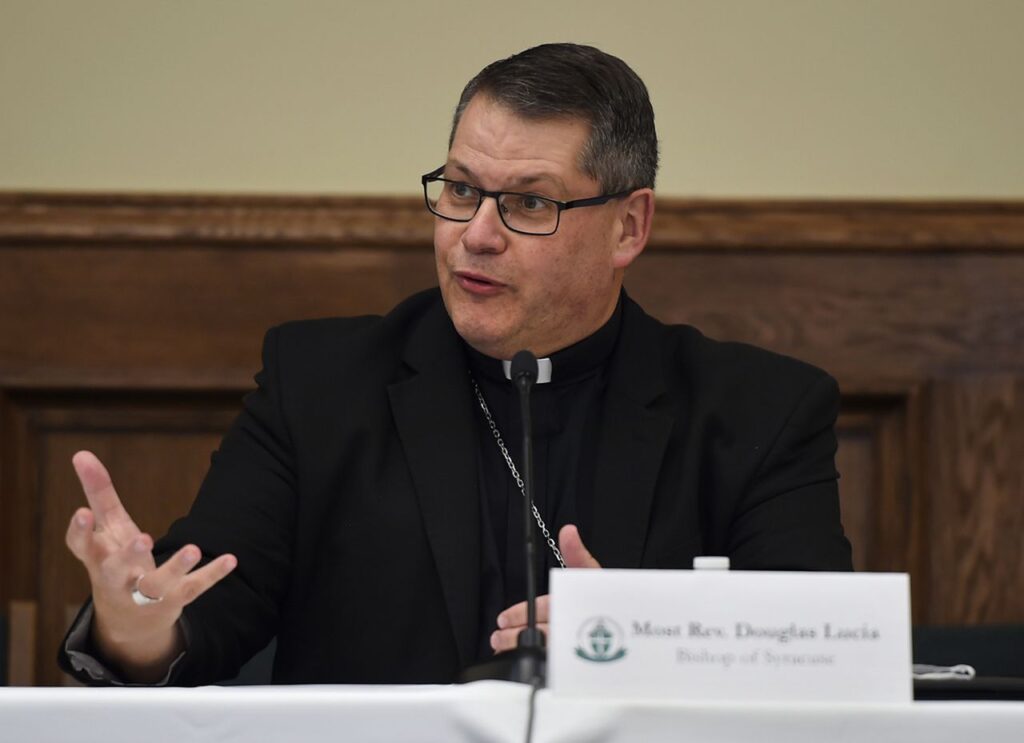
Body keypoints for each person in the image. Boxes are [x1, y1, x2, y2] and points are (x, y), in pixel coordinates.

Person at [59, 43, 852, 686]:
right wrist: (135, 626)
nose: (476, 232)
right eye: (463, 189)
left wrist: (639, 643)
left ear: (628, 227)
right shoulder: (321, 385)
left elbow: (813, 661)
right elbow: (201, 615)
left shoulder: (758, 412)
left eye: (530, 203)